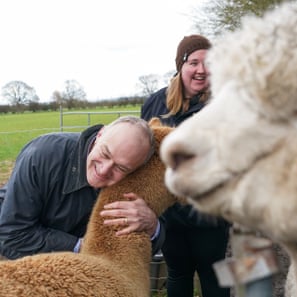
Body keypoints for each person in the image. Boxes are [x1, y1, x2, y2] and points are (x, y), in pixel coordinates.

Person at [141, 35, 231, 297]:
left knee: (213, 275)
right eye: (193, 62)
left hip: (209, 212)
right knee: (178, 274)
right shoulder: (155, 104)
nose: (202, 70)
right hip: (169, 213)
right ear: (181, 65)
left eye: (208, 63)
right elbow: (143, 151)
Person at [0, 115, 163, 260]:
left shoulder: (134, 178)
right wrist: (81, 246)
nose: (104, 170)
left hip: (74, 266)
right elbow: (12, 232)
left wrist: (153, 227)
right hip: (12, 253)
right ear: (100, 134)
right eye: (105, 154)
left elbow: (136, 254)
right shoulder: (43, 155)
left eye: (120, 168)